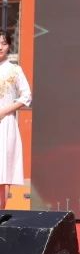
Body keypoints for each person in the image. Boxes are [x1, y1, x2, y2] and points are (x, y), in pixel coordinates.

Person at [0, 30, 30, 211]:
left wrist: (4, 111)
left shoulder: (14, 70)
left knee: (3, 173)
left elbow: (26, 96)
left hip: (5, 124)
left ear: (9, 46)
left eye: (3, 43)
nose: (0, 47)